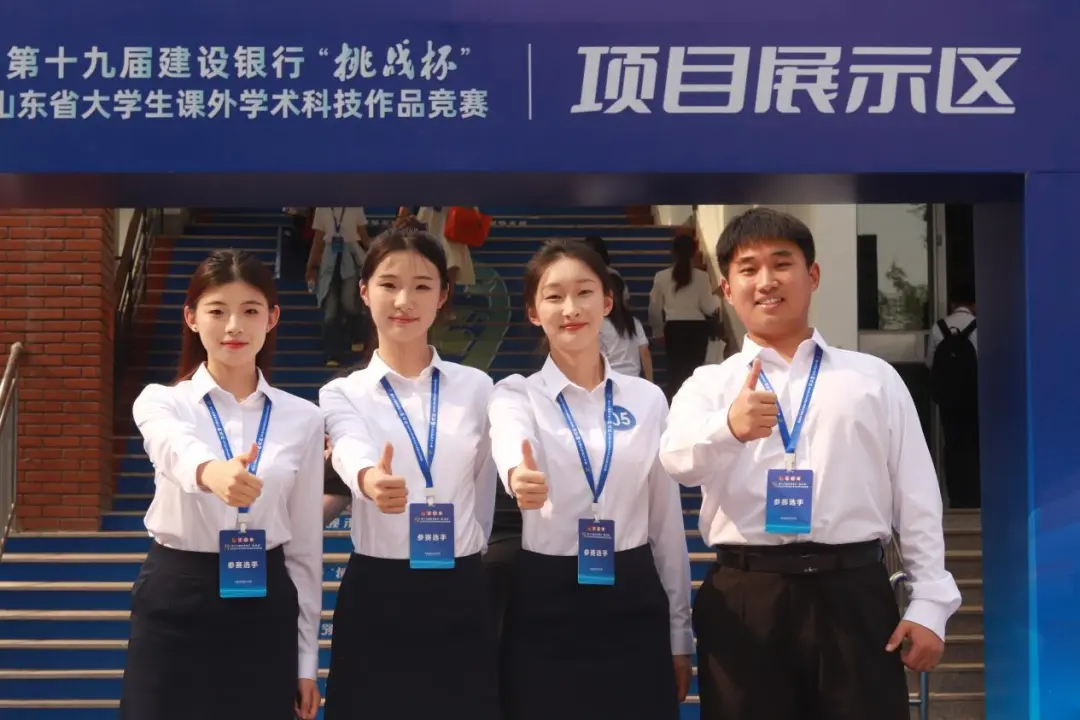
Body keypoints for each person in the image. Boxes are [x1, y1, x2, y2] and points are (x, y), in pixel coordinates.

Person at [658, 208, 962, 720]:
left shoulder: (872, 378)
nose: (767, 281)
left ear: (813, 275)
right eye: (749, 269)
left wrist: (930, 600)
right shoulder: (708, 386)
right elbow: (677, 461)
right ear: (727, 289)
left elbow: (915, 495)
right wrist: (728, 428)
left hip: (854, 593)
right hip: (746, 596)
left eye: (782, 263)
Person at [488, 238, 692, 720]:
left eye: (584, 292)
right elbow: (509, 437)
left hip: (633, 593)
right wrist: (518, 474)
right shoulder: (516, 394)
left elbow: (666, 526)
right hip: (546, 598)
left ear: (607, 302)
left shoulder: (647, 400)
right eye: (553, 296)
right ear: (533, 312)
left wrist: (679, 634)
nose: (570, 308)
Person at [119, 250, 324, 720]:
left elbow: (304, 550)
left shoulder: (303, 418)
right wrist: (210, 472)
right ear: (191, 318)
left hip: (264, 599)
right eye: (217, 311)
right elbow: (172, 446)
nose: (234, 326)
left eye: (250, 310)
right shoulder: (161, 402)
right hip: (177, 595)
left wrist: (306, 661)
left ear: (272, 318)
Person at [319, 226, 500, 720]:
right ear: (364, 291)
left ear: (442, 295)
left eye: (422, 286)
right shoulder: (342, 393)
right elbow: (348, 446)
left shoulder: (478, 388)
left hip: (460, 586)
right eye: (389, 284)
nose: (404, 300)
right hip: (379, 590)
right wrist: (368, 480)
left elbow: (483, 483)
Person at [648, 233, 721, 398]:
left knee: (675, 372)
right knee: (695, 373)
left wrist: (658, 332)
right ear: (694, 252)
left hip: (674, 329)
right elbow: (708, 307)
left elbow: (654, 309)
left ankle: (674, 404)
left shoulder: (661, 277)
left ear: (673, 252)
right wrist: (717, 298)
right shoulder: (702, 277)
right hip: (697, 329)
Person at [927, 284, 980, 508]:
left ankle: (955, 497)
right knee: (974, 446)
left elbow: (930, 363)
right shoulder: (980, 327)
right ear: (974, 304)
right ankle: (974, 497)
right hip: (974, 399)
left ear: (952, 303)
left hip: (948, 401)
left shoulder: (938, 328)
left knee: (952, 446)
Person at [306, 206, 372, 366]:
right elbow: (318, 240)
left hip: (351, 257)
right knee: (330, 309)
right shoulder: (322, 209)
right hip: (329, 259)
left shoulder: (355, 207)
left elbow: (364, 237)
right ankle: (333, 353)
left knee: (349, 301)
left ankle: (357, 334)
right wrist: (311, 266)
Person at [600, 273, 653, 380]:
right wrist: (650, 381)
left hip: (609, 380)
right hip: (633, 379)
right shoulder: (634, 322)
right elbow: (645, 354)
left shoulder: (597, 324)